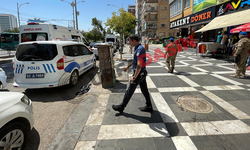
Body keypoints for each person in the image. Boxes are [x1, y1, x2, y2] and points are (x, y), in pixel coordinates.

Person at [112, 34, 153, 113]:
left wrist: (134, 77)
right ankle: (149, 106)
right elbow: (135, 61)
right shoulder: (137, 48)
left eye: (130, 41)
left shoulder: (140, 49)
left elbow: (139, 65)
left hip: (139, 74)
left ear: (134, 40)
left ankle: (121, 107)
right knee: (144, 90)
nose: (129, 43)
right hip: (142, 73)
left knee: (129, 91)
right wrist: (128, 66)